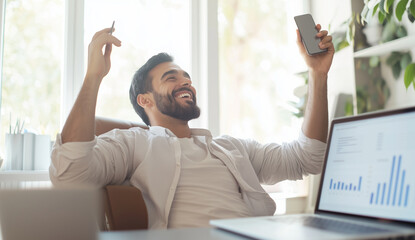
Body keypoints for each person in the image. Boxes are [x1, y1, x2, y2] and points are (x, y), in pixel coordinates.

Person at [50, 24, 334, 229]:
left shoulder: (230, 147)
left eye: (187, 77)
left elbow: (308, 157)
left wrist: (317, 74)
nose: (186, 82)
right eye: (171, 78)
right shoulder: (134, 143)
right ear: (144, 99)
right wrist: (94, 76)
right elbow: (70, 173)